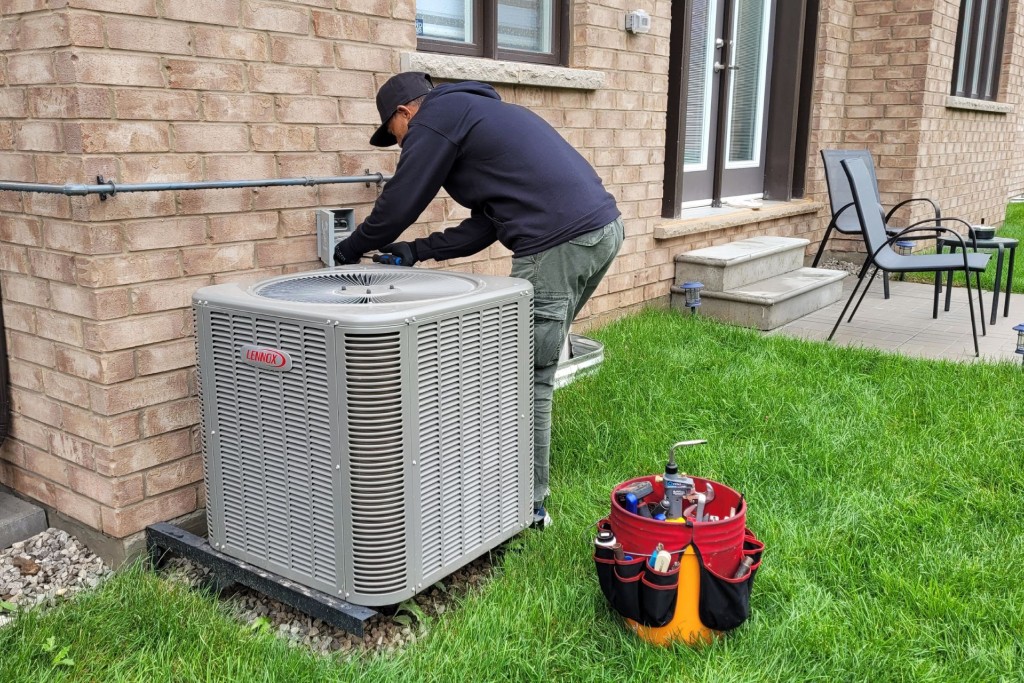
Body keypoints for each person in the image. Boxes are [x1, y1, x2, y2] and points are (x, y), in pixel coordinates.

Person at [334, 72, 623, 529]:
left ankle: (526, 507)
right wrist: (416, 251)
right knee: (528, 366)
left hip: (556, 247)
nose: (402, 146)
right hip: (601, 232)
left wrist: (349, 250)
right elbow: (487, 224)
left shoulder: (435, 119)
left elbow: (401, 200)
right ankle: (511, 484)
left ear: (405, 113)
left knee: (527, 377)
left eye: (395, 135)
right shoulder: (477, 113)